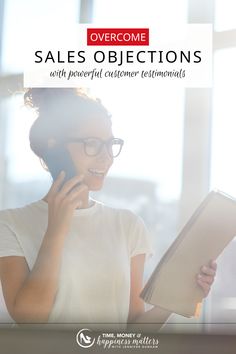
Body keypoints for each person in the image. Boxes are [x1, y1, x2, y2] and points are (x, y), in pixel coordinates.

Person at [0, 88, 216, 332]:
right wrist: (56, 230)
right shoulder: (10, 224)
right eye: (92, 144)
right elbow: (30, 319)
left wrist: (179, 297)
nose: (107, 157)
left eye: (110, 144)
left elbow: (132, 327)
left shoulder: (128, 226)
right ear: (54, 149)